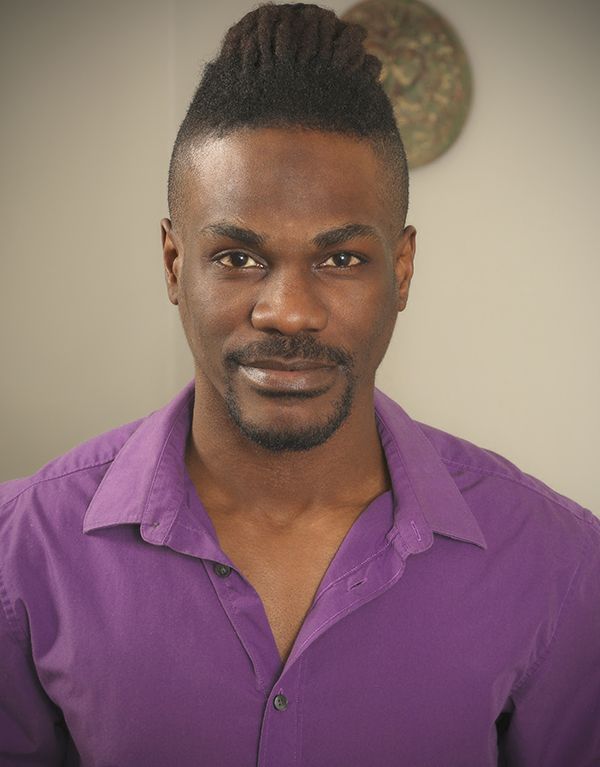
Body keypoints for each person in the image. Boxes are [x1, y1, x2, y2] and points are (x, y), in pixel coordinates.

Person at [1, 3, 598, 765]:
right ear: (173, 263)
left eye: (341, 259)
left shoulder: (557, 561)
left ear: (402, 270)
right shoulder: (21, 552)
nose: (288, 311)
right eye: (238, 257)